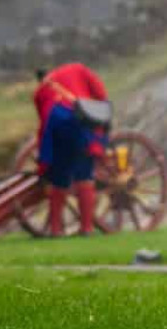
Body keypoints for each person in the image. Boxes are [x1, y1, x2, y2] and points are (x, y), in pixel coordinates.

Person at [32, 61, 110, 237]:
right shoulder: (76, 68)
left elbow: (43, 121)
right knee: (84, 174)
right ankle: (87, 228)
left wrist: (43, 156)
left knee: (59, 178)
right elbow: (100, 93)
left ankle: (56, 230)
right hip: (78, 122)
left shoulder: (38, 93)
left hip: (55, 127)